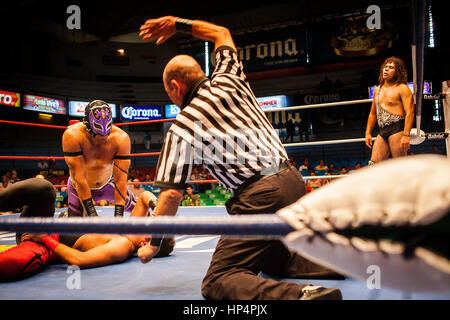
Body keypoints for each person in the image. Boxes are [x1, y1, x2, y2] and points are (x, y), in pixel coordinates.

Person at [138, 16, 342, 300]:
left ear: (175, 87)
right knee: (274, 261)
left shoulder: (183, 125)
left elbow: (170, 195)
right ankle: (357, 261)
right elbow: (221, 32)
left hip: (261, 196)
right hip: (294, 182)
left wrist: (155, 244)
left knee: (218, 281)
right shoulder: (229, 77)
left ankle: (303, 297)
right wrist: (176, 23)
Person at [0, 178, 171, 281]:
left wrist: (43, 238)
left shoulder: (123, 245)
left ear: (145, 244)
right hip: (52, 222)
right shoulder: (132, 229)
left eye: (153, 228)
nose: (148, 221)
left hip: (40, 238)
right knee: (47, 190)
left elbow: (79, 260)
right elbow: (143, 197)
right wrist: (156, 209)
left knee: (43, 188)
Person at [62, 100, 135, 221]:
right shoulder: (72, 136)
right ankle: (65, 216)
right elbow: (79, 178)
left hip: (108, 184)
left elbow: (120, 179)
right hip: (78, 187)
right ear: (86, 125)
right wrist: (92, 214)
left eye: (106, 135)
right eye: (98, 134)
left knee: (143, 211)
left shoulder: (120, 138)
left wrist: (119, 218)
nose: (103, 139)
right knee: (73, 234)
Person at [365, 57, 415, 164]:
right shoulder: (377, 90)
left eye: (391, 67)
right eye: (386, 67)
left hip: (397, 128)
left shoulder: (402, 88)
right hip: (382, 129)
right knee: (374, 164)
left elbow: (410, 112)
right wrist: (368, 132)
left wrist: (406, 135)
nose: (386, 69)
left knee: (400, 164)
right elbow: (373, 113)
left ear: (397, 72)